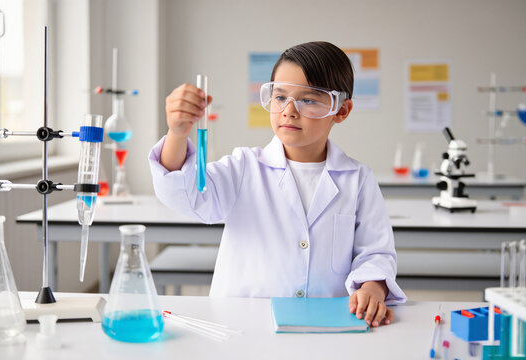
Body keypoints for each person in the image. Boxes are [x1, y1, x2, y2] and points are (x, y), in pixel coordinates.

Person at [149, 41, 406, 328]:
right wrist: (177, 134)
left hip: (326, 326)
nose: (289, 110)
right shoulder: (244, 167)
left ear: (341, 110)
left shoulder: (358, 179)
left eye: (309, 99)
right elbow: (184, 195)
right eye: (280, 97)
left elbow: (376, 253)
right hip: (243, 326)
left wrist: (372, 288)